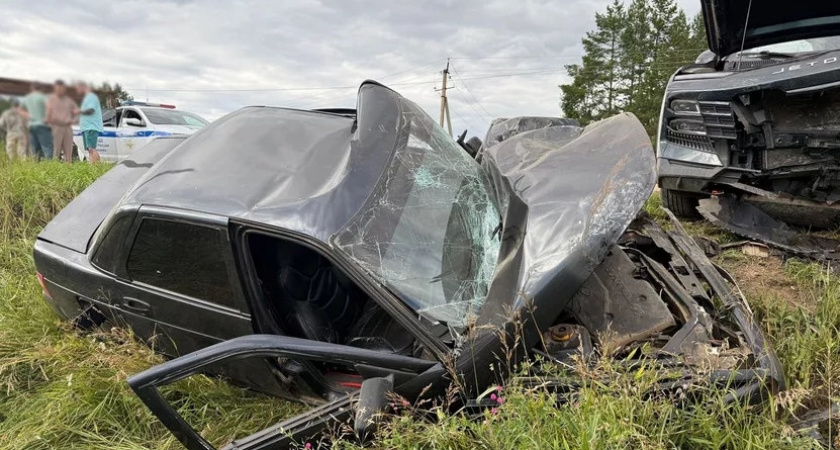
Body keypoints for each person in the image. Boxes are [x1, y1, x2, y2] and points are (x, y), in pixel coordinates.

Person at [45, 80, 78, 163]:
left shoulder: (68, 100)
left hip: (67, 127)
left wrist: (75, 119)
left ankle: (68, 168)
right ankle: (54, 169)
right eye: (58, 88)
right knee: (55, 151)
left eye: (61, 88)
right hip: (55, 127)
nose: (60, 90)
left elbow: (76, 110)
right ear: (55, 88)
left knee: (68, 151)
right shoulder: (51, 99)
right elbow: (47, 113)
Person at [21, 83, 53, 160]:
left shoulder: (27, 97)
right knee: (47, 147)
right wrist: (47, 118)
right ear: (41, 89)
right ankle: (50, 168)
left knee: (35, 149)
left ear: (32, 88)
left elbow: (20, 109)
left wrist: (28, 115)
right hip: (42, 125)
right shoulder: (43, 97)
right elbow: (50, 108)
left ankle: (36, 167)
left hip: (31, 125)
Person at [75, 82, 103, 163]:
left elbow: (91, 110)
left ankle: (95, 168)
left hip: (91, 127)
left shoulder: (91, 97)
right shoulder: (86, 98)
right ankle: (95, 167)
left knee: (91, 149)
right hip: (86, 127)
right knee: (89, 149)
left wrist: (79, 111)